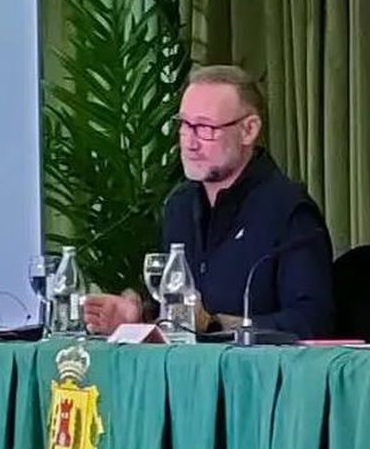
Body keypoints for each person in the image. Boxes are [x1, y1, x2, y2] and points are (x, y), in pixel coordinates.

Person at [81, 65, 335, 338]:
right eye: (184, 125)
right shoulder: (179, 205)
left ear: (249, 130)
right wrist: (139, 316)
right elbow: (179, 312)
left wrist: (216, 324)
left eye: (204, 128)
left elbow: (313, 324)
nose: (189, 143)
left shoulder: (288, 210)